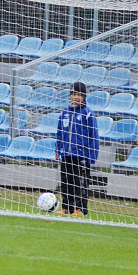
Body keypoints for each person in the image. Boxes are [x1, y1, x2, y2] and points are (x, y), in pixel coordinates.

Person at [55, 81, 99, 215]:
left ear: (84, 97)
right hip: (66, 154)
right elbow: (60, 132)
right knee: (66, 182)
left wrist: (92, 155)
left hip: (82, 155)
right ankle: (66, 207)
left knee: (80, 183)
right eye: (73, 94)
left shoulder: (88, 114)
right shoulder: (65, 113)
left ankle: (81, 208)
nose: (76, 97)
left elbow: (94, 135)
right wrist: (58, 149)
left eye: (79, 95)